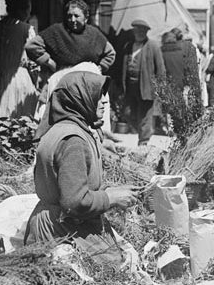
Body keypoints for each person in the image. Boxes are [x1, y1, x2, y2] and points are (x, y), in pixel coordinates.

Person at [25, 72, 137, 244]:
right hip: (62, 231)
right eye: (98, 95)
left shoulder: (65, 129)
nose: (105, 100)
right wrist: (111, 198)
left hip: (55, 223)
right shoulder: (73, 141)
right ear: (79, 99)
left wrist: (112, 190)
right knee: (114, 265)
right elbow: (74, 203)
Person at [26, 0, 116, 117]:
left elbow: (110, 53)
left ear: (86, 17)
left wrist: (99, 68)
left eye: (76, 16)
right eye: (69, 16)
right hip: (63, 82)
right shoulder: (56, 31)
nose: (72, 20)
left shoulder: (95, 34)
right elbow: (32, 46)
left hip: (89, 84)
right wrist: (48, 61)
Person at [0, 0, 39, 135]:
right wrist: (35, 81)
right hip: (18, 81)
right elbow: (34, 61)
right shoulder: (27, 30)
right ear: (23, 11)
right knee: (18, 121)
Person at [120, 19, 166, 146]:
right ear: (133, 31)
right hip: (130, 87)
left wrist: (159, 87)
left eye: (142, 31)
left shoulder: (153, 46)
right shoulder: (128, 46)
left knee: (145, 115)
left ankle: (143, 141)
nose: (139, 33)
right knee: (128, 113)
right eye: (137, 30)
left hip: (146, 87)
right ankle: (144, 131)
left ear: (146, 32)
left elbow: (161, 69)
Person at [161, 27, 198, 94]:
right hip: (180, 84)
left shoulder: (160, 52)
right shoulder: (182, 52)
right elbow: (188, 68)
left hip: (164, 85)